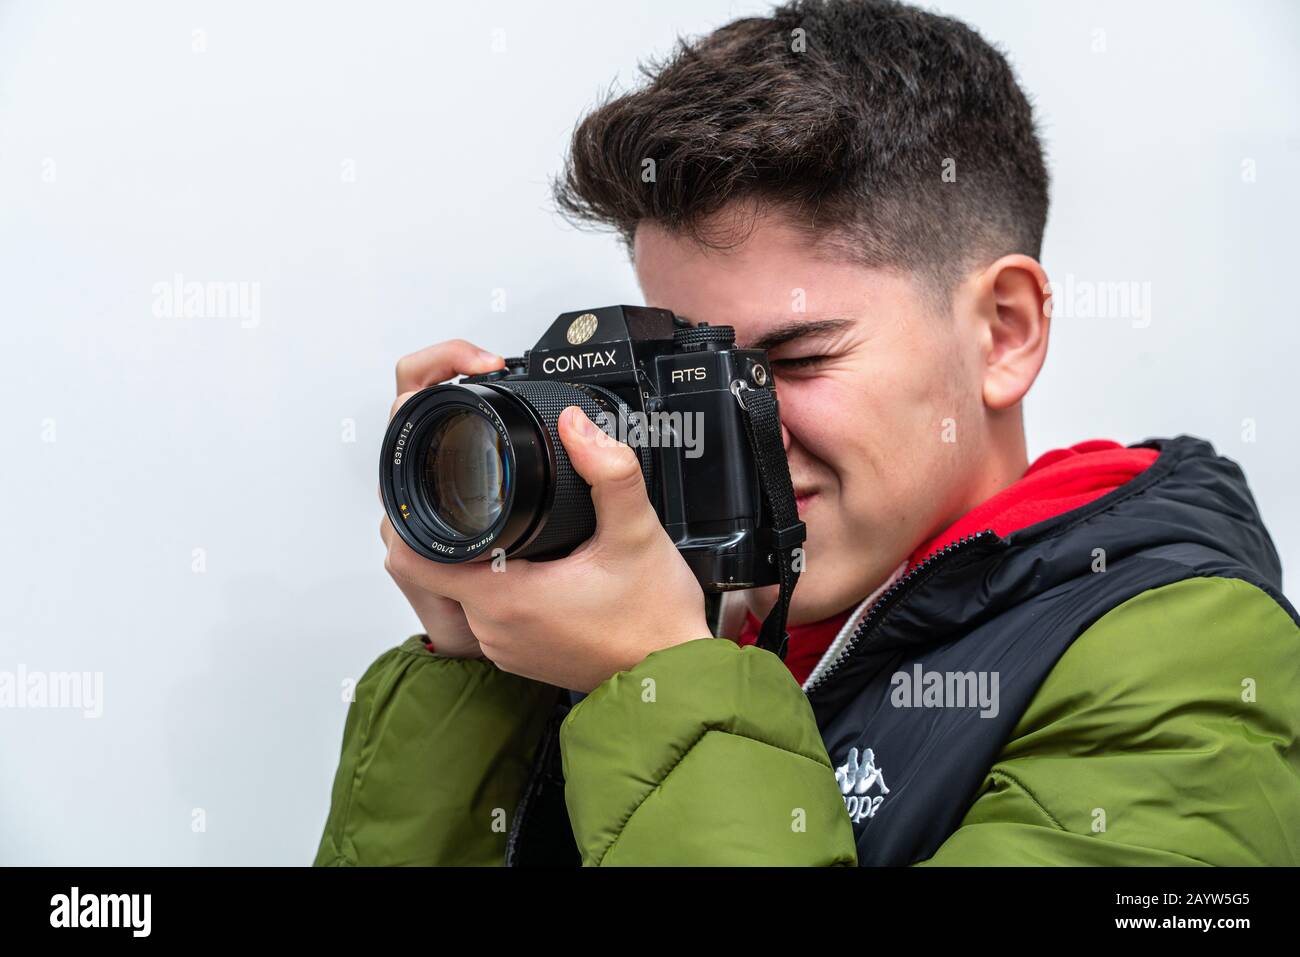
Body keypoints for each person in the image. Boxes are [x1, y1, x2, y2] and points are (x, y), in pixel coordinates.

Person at [314, 0, 1299, 866]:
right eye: (691, 374)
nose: (723, 436)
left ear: (1004, 332)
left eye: (792, 362)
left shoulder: (1186, 665)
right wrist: (478, 677)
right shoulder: (673, 623)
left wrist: (661, 679)